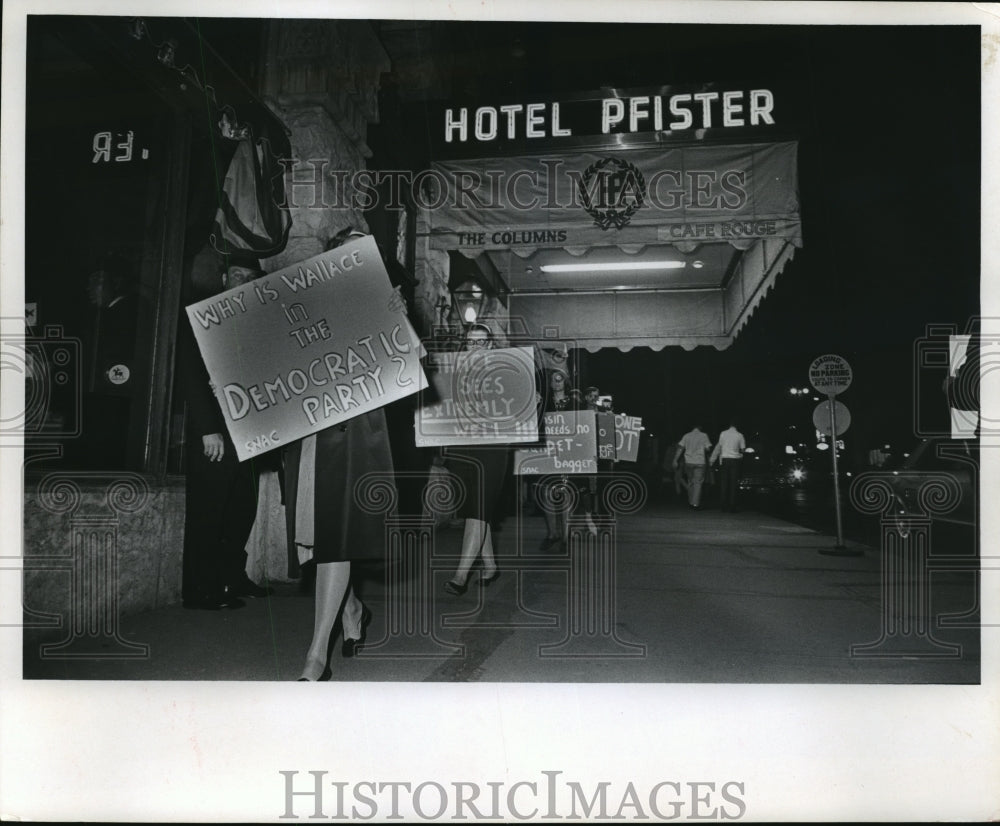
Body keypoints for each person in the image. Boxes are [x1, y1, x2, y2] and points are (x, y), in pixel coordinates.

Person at [286, 229, 404, 680]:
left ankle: (317, 653)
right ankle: (352, 610)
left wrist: (400, 323)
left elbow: (408, 366)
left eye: (364, 252)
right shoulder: (303, 304)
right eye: (348, 251)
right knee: (318, 537)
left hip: (354, 435)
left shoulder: (384, 301)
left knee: (335, 534)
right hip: (312, 432)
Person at [179, 255, 273, 610]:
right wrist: (207, 430)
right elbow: (191, 376)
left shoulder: (255, 322)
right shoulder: (202, 317)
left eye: (250, 277)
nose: (243, 282)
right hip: (216, 434)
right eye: (236, 275)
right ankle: (199, 589)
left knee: (240, 509)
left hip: (250, 434)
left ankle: (230, 578)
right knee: (208, 511)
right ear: (223, 277)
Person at [443, 324, 504, 595]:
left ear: (490, 345)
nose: (475, 346)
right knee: (476, 509)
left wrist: (532, 401)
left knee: (479, 508)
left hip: (492, 449)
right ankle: (490, 565)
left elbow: (518, 407)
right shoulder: (453, 373)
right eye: (470, 342)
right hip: (463, 448)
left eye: (481, 342)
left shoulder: (504, 371)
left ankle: (460, 576)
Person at [710, 420, 746, 512]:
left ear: (729, 425)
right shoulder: (740, 435)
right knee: (733, 483)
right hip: (735, 460)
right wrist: (740, 453)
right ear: (737, 426)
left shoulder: (723, 433)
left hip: (725, 460)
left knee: (724, 483)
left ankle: (723, 505)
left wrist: (712, 460)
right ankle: (732, 506)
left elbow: (720, 446)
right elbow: (743, 450)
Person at [674, 423, 712, 509]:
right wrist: (704, 448)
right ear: (700, 427)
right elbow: (708, 448)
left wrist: (675, 460)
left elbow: (680, 448)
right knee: (698, 483)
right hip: (700, 462)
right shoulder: (704, 435)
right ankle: (695, 504)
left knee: (690, 482)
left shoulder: (686, 436)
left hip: (689, 462)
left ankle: (691, 501)